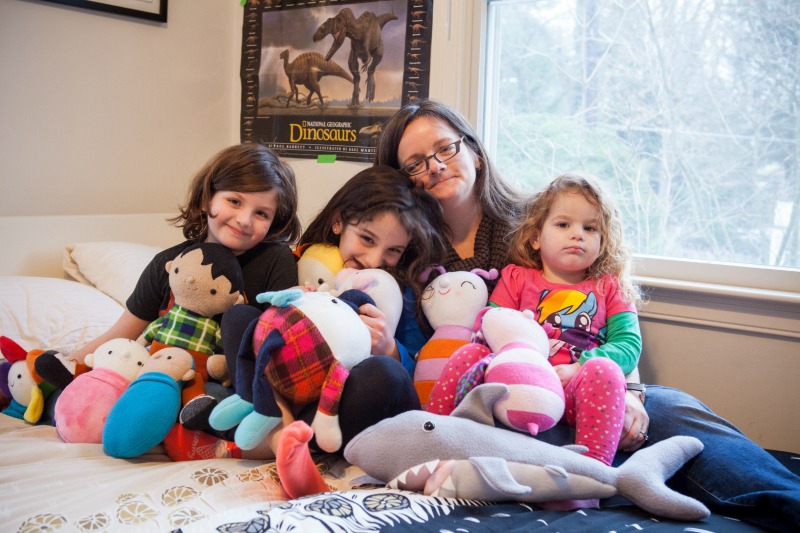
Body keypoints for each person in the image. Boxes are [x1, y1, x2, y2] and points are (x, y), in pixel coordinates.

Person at [373, 98, 800, 532]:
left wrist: (630, 393)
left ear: (474, 153)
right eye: (415, 163)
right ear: (402, 180)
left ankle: (787, 501)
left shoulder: (543, 222)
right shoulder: (401, 255)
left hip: (590, 389)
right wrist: (389, 348)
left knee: (678, 410)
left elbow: (611, 313)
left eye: (445, 149)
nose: (436, 166)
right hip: (494, 407)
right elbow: (415, 366)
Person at [35, 142, 301, 414]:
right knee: (67, 401)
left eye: (261, 213)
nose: (245, 220)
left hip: (231, 388)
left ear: (274, 221)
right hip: (161, 376)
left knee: (214, 402)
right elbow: (120, 335)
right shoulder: (167, 263)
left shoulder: (276, 260)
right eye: (234, 201)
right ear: (206, 199)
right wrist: (67, 366)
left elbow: (280, 345)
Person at [488, 173, 640, 508]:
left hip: (579, 395)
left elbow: (629, 345)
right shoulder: (516, 279)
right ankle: (451, 446)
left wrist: (579, 368)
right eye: (563, 224)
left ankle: (588, 479)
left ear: (604, 241)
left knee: (606, 371)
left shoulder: (609, 287)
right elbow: (490, 327)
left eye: (590, 228)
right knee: (472, 354)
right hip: (524, 389)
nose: (577, 235)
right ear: (535, 237)